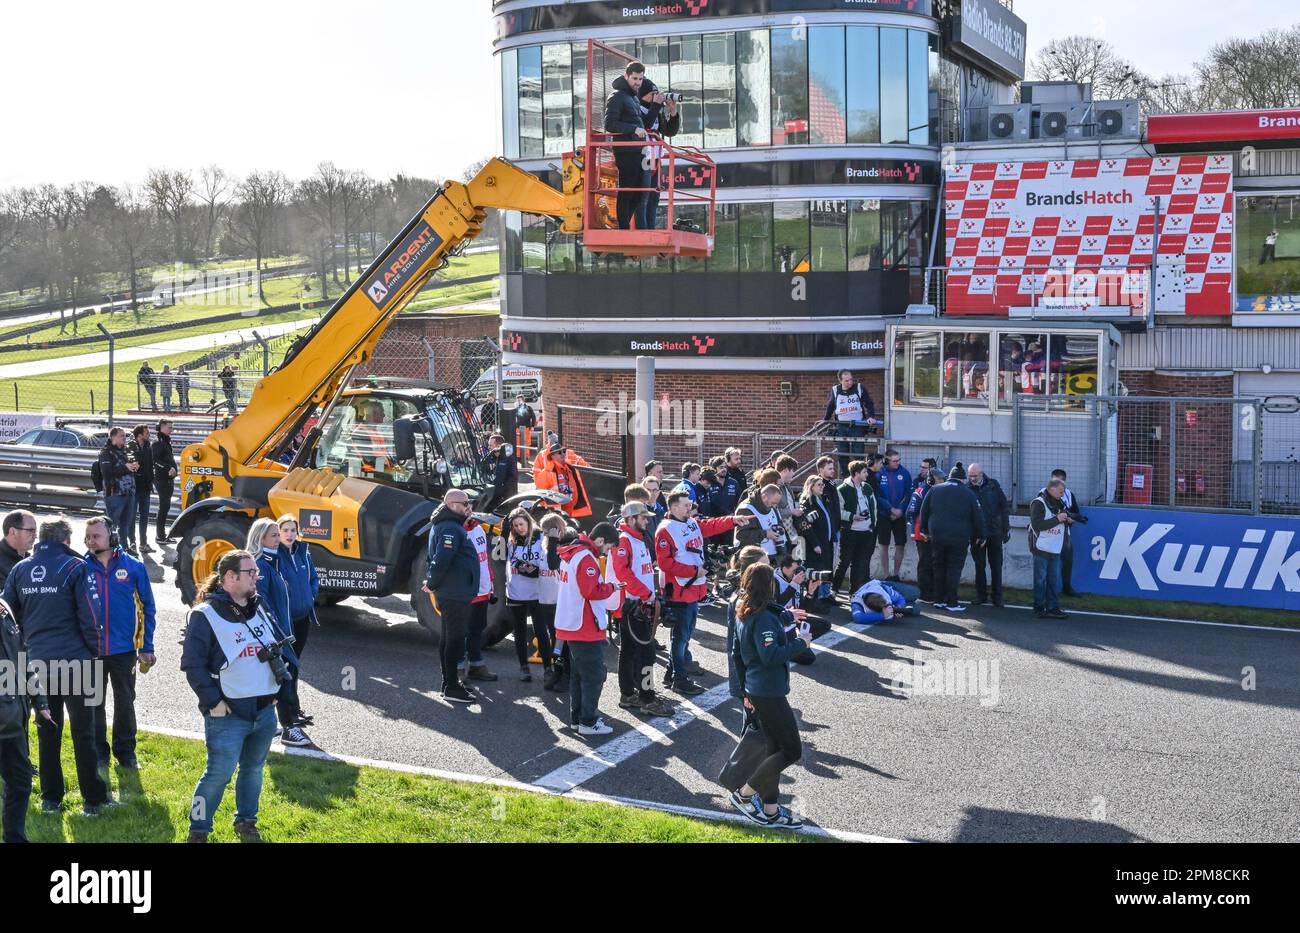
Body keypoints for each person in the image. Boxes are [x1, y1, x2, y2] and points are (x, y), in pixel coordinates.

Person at [181, 549, 298, 843]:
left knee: (253, 770)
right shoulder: (204, 615)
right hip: (228, 714)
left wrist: (276, 694)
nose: (257, 577)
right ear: (230, 578)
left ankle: (247, 822)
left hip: (263, 712)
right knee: (216, 776)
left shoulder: (258, 606)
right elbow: (192, 666)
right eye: (251, 573)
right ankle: (198, 830)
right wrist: (214, 704)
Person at [0, 517, 111, 815]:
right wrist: (94, 652)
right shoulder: (76, 567)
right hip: (76, 663)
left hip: (36, 664)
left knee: (47, 732)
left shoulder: (20, 569)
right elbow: (91, 616)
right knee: (84, 733)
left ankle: (51, 799)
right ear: (66, 539)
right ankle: (93, 799)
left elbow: (6, 613)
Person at [729, 563, 811, 829]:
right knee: (791, 751)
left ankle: (771, 811)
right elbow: (770, 656)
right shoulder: (763, 617)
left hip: (756, 689)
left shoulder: (745, 610)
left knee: (774, 750)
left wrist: (743, 690)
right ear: (769, 586)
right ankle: (744, 795)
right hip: (768, 691)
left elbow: (736, 653)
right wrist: (801, 643)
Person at [83, 515, 155, 772]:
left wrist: (147, 646)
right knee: (94, 703)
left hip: (124, 650)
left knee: (125, 701)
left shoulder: (134, 566)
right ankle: (98, 752)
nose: (91, 541)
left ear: (111, 537)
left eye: (96, 536)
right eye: (88, 536)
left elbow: (148, 607)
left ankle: (125, 752)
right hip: (91, 651)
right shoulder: (80, 567)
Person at [657, 490, 746, 696]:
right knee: (680, 638)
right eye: (686, 505)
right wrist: (695, 571)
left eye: (690, 504)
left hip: (693, 589)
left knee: (684, 637)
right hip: (679, 591)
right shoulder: (665, 530)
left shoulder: (689, 522)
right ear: (674, 507)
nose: (690, 507)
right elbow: (665, 563)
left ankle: (673, 673)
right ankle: (679, 679)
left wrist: (733, 520)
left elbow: (709, 526)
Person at [246, 518, 309, 748]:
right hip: (274, 636)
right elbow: (263, 604)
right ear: (260, 538)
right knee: (284, 677)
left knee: (277, 678)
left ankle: (262, 723)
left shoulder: (274, 561)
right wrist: (279, 634)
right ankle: (289, 728)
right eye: (274, 534)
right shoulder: (261, 565)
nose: (278, 538)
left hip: (282, 632)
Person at [555, 522, 619, 736]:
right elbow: (591, 591)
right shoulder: (585, 556)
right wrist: (612, 587)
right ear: (600, 540)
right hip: (583, 624)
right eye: (608, 548)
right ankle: (588, 721)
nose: (607, 553)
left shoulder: (573, 553)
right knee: (594, 675)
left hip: (572, 622)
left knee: (579, 675)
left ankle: (578, 719)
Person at [612, 501, 673, 717]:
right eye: (643, 517)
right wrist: (646, 594)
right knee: (646, 653)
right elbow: (623, 573)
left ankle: (628, 694)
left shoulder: (638, 539)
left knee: (628, 651)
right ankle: (647, 699)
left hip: (639, 604)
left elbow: (642, 572)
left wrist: (651, 594)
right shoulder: (625, 540)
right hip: (634, 605)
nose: (647, 520)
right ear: (631, 519)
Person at [1, 583, 51, 842]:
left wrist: (40, 701)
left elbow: (24, 659)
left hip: (13, 722)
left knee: (20, 781)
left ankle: (15, 838)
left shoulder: (4, 610)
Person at [424, 489, 480, 705]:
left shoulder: (449, 524)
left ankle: (449, 683)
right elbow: (441, 560)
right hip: (454, 593)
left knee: (449, 638)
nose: (469, 507)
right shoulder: (450, 527)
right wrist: (431, 584)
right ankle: (451, 687)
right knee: (454, 640)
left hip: (454, 591)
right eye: (466, 503)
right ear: (453, 505)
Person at [918, 463, 985, 613]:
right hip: (959, 537)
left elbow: (924, 511)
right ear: (963, 479)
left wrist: (924, 530)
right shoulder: (968, 494)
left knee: (938, 566)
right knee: (954, 568)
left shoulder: (934, 490)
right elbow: (977, 517)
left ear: (949, 477)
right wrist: (981, 535)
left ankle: (938, 599)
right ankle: (952, 602)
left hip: (937, 535)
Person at [276, 515, 319, 729]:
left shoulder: (303, 552)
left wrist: (311, 597)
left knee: (296, 665)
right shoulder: (275, 556)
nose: (290, 534)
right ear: (278, 532)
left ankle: (294, 707)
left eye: (293, 530)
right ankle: (288, 713)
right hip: (286, 622)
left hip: (303, 619)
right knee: (288, 666)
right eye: (285, 530)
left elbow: (313, 578)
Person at [604, 60, 651, 231]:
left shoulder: (633, 98)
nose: (638, 82)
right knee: (628, 190)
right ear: (627, 76)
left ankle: (623, 226)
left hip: (638, 150)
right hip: (625, 151)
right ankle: (623, 228)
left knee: (640, 194)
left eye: (640, 79)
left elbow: (639, 122)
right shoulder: (617, 96)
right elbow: (609, 124)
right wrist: (633, 129)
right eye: (635, 79)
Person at [504, 508, 549, 683]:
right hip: (516, 592)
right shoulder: (510, 541)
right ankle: (524, 666)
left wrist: (528, 568)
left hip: (537, 592)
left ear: (529, 522)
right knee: (520, 630)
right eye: (515, 525)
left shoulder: (540, 537)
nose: (519, 528)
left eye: (521, 524)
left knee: (541, 630)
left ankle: (548, 668)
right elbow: (504, 558)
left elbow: (540, 567)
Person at [635, 76, 681, 228]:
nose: (657, 96)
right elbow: (645, 122)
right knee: (643, 195)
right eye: (652, 93)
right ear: (642, 95)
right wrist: (656, 105)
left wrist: (672, 111)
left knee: (654, 195)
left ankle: (651, 228)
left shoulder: (656, 110)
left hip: (655, 158)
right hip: (641, 157)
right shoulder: (635, 108)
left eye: (657, 93)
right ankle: (642, 230)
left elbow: (669, 131)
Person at [461, 508, 498, 685]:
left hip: (482, 590)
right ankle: (459, 670)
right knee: (460, 632)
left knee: (477, 629)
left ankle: (476, 666)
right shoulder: (456, 530)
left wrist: (490, 582)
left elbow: (485, 559)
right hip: (466, 590)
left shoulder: (478, 529)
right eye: (464, 507)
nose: (468, 511)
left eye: (469, 507)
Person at [1030, 478, 1073, 620]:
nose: (1062, 494)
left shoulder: (1060, 502)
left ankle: (1053, 608)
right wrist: (1058, 519)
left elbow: (1062, 520)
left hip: (1055, 547)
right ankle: (1039, 608)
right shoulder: (1038, 503)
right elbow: (1038, 526)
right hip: (1041, 547)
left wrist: (1068, 520)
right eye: (1060, 491)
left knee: (1053, 580)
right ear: (1052, 489)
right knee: (1040, 579)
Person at [967, 463, 1009, 607]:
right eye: (970, 476)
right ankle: (981, 594)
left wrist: (1005, 528)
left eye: (975, 475)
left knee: (996, 565)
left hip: (995, 532)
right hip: (977, 535)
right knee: (980, 565)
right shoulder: (968, 489)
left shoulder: (993, 485)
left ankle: (997, 596)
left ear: (981, 474)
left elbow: (1003, 506)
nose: (972, 478)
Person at [834, 460, 876, 595]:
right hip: (849, 531)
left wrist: (873, 524)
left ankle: (854, 592)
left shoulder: (867, 487)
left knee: (859, 563)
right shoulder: (842, 489)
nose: (867, 474)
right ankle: (834, 589)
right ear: (856, 473)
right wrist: (853, 516)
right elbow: (838, 511)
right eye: (864, 472)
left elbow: (874, 507)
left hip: (866, 531)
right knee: (844, 561)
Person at [823, 369, 878, 474]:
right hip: (842, 426)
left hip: (857, 425)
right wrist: (825, 419)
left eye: (851, 379)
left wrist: (871, 416)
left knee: (858, 451)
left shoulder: (859, 387)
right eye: (846, 380)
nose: (850, 382)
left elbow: (869, 403)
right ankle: (845, 475)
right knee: (842, 452)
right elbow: (831, 406)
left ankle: (858, 473)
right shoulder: (835, 390)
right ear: (840, 380)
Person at [536, 511, 566, 691]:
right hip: (544, 600)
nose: (545, 535)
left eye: (547, 532)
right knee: (549, 637)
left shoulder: (562, 547)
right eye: (544, 532)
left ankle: (561, 673)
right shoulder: (544, 545)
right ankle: (554, 670)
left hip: (558, 601)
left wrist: (554, 540)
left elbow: (553, 564)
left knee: (559, 639)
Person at [99, 428, 139, 554]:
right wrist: (125, 468)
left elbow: (127, 468)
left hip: (129, 492)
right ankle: (109, 548)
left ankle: (123, 548)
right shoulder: (106, 452)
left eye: (125, 436)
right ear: (113, 437)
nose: (124, 438)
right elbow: (107, 472)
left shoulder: (125, 451)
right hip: (114, 493)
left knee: (125, 523)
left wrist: (133, 467)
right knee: (112, 523)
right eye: (122, 436)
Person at [874, 449, 912, 582]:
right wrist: (890, 509)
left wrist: (900, 510)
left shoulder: (904, 473)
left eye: (898, 460)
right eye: (894, 460)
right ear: (887, 460)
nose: (897, 463)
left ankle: (895, 574)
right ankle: (886, 575)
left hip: (899, 516)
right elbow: (877, 495)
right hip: (884, 515)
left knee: (900, 544)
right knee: (883, 545)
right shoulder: (880, 473)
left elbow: (908, 494)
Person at [906, 469, 943, 603]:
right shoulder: (921, 491)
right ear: (931, 479)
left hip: (934, 532)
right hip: (922, 533)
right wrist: (918, 530)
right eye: (939, 479)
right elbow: (911, 512)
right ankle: (924, 593)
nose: (942, 481)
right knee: (925, 563)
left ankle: (933, 591)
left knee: (934, 563)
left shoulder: (938, 490)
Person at [1050, 468, 1085, 596]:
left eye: (1060, 481)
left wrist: (1072, 519)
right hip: (1048, 533)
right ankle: (1047, 588)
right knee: (1048, 561)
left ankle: (1066, 587)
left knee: (1067, 560)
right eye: (1054, 480)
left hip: (1065, 533)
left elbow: (1076, 512)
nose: (1057, 484)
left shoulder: (1069, 494)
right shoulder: (1043, 493)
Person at [735, 482, 782, 560]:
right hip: (752, 558)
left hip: (772, 556)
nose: (774, 506)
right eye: (773, 503)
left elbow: (779, 525)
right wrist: (765, 534)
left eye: (776, 504)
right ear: (764, 496)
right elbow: (741, 534)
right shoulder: (746, 509)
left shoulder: (772, 509)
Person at [128, 424, 154, 554]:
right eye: (146, 432)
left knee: (144, 517)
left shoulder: (149, 446)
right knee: (131, 517)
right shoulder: (131, 446)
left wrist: (151, 481)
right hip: (134, 487)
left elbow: (150, 465)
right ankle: (132, 543)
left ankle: (143, 543)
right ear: (139, 435)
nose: (148, 434)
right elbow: (132, 461)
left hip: (146, 487)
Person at [151, 419, 178, 543]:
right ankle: (160, 536)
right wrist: (168, 468)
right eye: (169, 427)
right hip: (162, 479)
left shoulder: (166, 442)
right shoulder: (158, 443)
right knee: (163, 507)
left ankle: (161, 535)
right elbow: (154, 460)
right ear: (160, 427)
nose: (171, 430)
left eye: (172, 428)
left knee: (165, 507)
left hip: (167, 479)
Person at [481, 434, 519, 511]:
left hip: (504, 498)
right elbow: (483, 469)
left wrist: (502, 492)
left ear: (498, 446)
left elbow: (513, 478)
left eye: (490, 445)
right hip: (492, 494)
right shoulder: (493, 457)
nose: (488, 447)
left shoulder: (508, 459)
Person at [0, 509, 36, 587]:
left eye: (35, 531)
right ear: (13, 532)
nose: (35, 536)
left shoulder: (31, 562)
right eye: (30, 530)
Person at [714, 448, 746, 516]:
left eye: (739, 458)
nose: (739, 461)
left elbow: (743, 492)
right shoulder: (722, 474)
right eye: (736, 459)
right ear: (728, 460)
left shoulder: (740, 473)